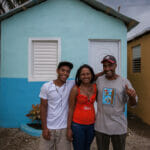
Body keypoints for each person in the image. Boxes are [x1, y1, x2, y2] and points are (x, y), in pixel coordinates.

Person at [95, 55, 138, 150]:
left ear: (116, 66)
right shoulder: (99, 80)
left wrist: (131, 97)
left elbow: (134, 104)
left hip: (118, 127)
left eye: (110, 65)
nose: (107, 68)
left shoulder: (124, 82)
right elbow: (87, 79)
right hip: (101, 127)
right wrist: (103, 72)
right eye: (105, 66)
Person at [39, 61, 74, 150]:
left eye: (68, 71)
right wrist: (44, 128)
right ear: (57, 71)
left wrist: (104, 72)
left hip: (64, 129)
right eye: (63, 70)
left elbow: (88, 77)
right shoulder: (46, 86)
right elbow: (43, 108)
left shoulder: (71, 84)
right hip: (49, 128)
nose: (65, 73)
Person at [67, 64, 97, 150]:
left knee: (87, 147)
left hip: (91, 125)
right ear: (79, 76)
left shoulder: (95, 88)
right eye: (83, 74)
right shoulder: (75, 89)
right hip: (77, 125)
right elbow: (71, 109)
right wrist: (69, 128)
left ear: (91, 75)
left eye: (88, 74)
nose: (86, 76)